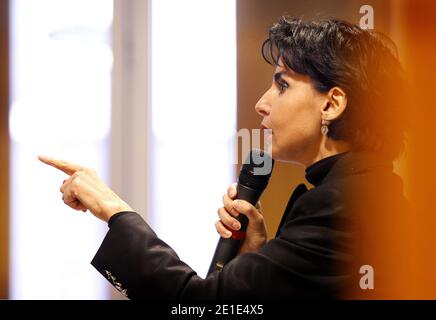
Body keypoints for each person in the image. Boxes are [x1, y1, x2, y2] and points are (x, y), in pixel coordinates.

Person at [39, 17, 409, 299]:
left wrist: (113, 211)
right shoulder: (359, 191)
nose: (261, 104)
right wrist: (264, 258)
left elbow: (199, 304)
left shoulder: (343, 203)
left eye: (282, 84)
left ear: (332, 103)